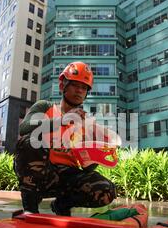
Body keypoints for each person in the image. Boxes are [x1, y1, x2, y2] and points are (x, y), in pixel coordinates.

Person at [14, 62, 117, 216]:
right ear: (63, 86)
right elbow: (24, 128)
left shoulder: (87, 124)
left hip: (68, 176)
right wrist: (63, 120)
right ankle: (30, 207)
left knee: (106, 189)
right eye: (75, 85)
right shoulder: (44, 107)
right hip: (42, 174)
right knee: (30, 141)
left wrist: (99, 153)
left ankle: (62, 205)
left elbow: (87, 168)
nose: (79, 90)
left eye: (84, 88)